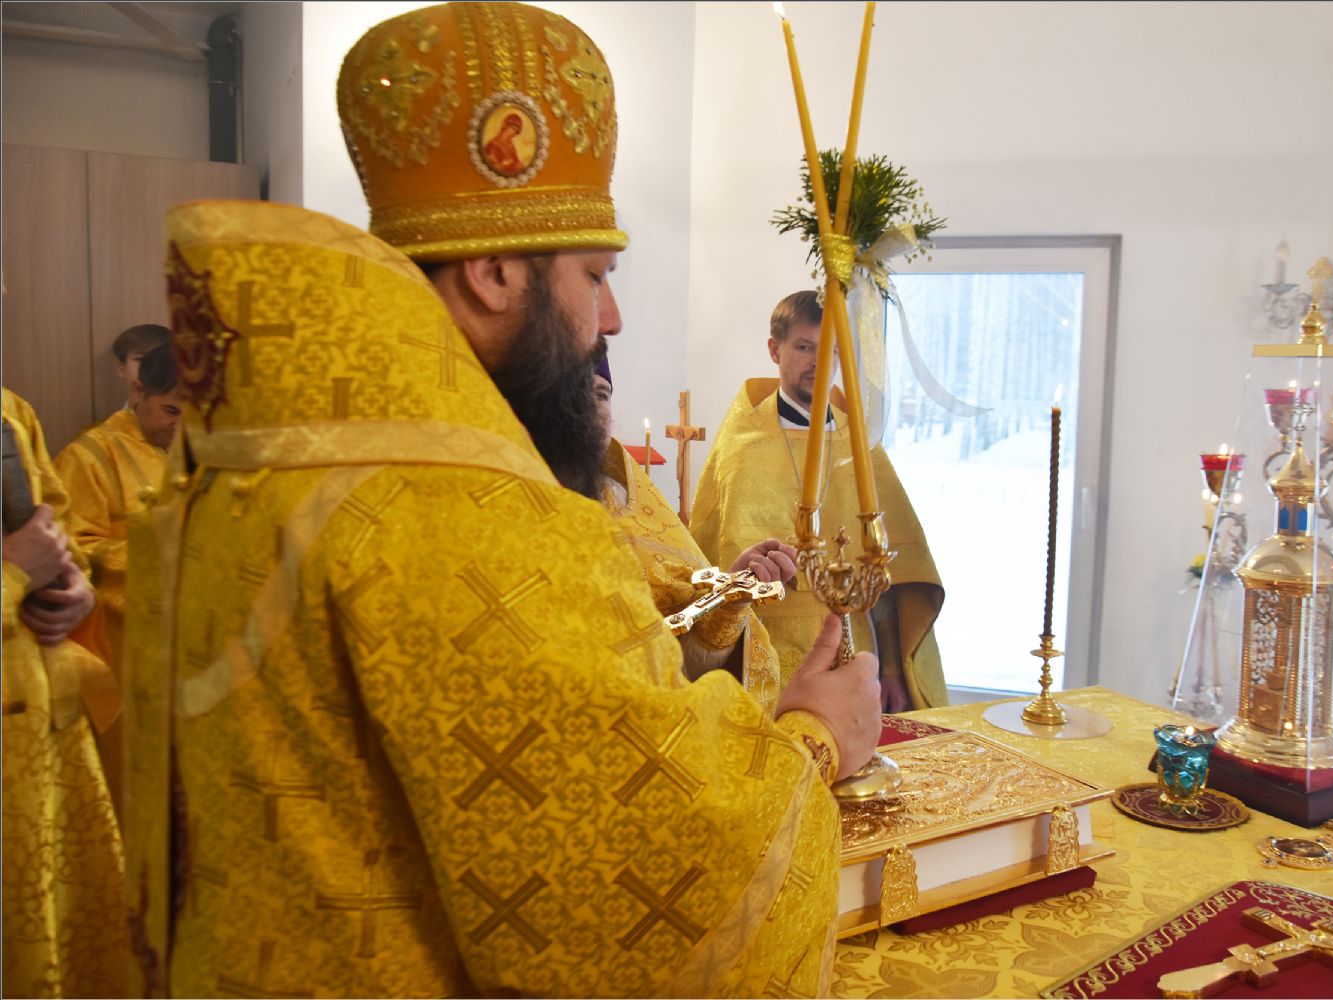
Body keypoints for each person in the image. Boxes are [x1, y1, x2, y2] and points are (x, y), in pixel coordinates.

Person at [122, 5, 879, 998]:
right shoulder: (465, 511)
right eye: (596, 275)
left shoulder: (252, 459)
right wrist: (815, 737)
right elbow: (624, 886)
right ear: (493, 273)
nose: (613, 316)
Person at [692, 290, 950, 711]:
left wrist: (890, 669)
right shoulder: (741, 447)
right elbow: (707, 563)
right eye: (804, 347)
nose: (819, 362)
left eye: (830, 350)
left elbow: (890, 574)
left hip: (850, 650)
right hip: (763, 659)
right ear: (775, 350)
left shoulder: (860, 447)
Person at [2, 387, 129, 997]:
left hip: (43, 728)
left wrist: (75, 584)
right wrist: (11, 573)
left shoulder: (10, 410)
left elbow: (55, 527)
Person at [593, 355, 791, 711]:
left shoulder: (633, 509)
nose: (588, 410)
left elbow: (683, 671)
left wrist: (729, 600)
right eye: (568, 390)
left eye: (600, 394)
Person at [57, 343, 183, 803]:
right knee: (135, 774)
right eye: (171, 410)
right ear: (138, 391)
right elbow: (73, 547)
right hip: (125, 640)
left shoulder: (207, 450)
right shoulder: (89, 456)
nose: (182, 427)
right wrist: (163, 556)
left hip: (197, 640)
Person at [110, 323, 171, 409]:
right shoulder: (115, 419)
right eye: (141, 359)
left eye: (162, 360)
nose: (151, 368)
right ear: (122, 369)